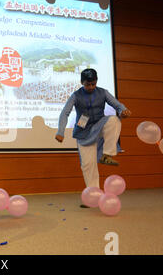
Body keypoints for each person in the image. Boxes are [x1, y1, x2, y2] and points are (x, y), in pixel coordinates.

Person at [55, 68, 131, 207]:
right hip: (84, 133)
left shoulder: (103, 92)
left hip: (99, 127)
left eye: (93, 84)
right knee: (88, 166)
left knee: (114, 119)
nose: (90, 87)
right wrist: (60, 132)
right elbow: (64, 113)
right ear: (82, 83)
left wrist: (123, 110)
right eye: (87, 84)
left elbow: (117, 105)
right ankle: (93, 197)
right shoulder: (76, 95)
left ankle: (106, 155)